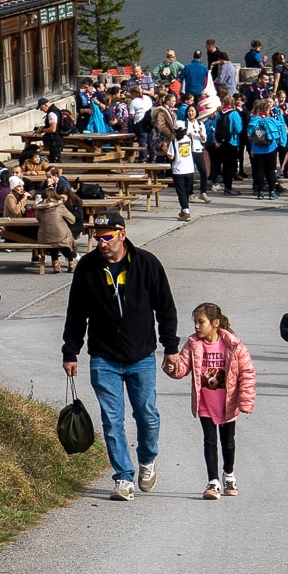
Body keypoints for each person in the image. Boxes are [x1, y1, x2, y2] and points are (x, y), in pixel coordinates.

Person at [62, 210, 179, 502]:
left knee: (147, 416)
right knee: (112, 420)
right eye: (97, 237)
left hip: (141, 355)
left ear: (122, 235)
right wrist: (70, 351)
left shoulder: (147, 264)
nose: (101, 243)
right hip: (104, 357)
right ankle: (123, 478)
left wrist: (171, 347)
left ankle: (147, 460)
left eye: (107, 237)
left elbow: (165, 308)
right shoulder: (88, 268)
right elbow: (76, 313)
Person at [168, 303, 256, 499]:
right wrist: (171, 365)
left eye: (201, 322)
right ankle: (213, 482)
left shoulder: (233, 345)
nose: (197, 326)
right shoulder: (193, 344)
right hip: (205, 402)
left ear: (215, 323)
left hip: (228, 403)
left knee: (228, 442)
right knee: (209, 441)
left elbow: (247, 373)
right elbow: (182, 369)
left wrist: (246, 401)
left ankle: (229, 475)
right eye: (195, 322)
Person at [247, 99, 283, 199]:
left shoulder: (254, 120)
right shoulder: (270, 120)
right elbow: (278, 129)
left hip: (257, 148)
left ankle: (260, 192)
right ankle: (272, 192)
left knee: (259, 171)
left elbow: (249, 135)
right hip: (270, 148)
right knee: (271, 170)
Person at [35, 188, 79, 272]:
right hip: (60, 236)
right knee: (66, 238)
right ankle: (71, 263)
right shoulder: (59, 206)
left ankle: (55, 263)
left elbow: (38, 218)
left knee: (51, 239)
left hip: (45, 236)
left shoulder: (39, 207)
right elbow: (72, 220)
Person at [163, 119, 197, 219]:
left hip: (178, 169)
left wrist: (165, 150)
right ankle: (184, 209)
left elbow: (171, 157)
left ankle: (186, 210)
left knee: (181, 191)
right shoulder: (189, 139)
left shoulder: (174, 142)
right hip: (189, 169)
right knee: (186, 191)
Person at [214, 96, 243, 194]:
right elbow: (238, 129)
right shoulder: (234, 113)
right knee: (231, 165)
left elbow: (214, 126)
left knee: (224, 164)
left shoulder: (219, 113)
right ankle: (228, 187)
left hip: (221, 143)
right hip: (232, 141)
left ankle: (226, 185)